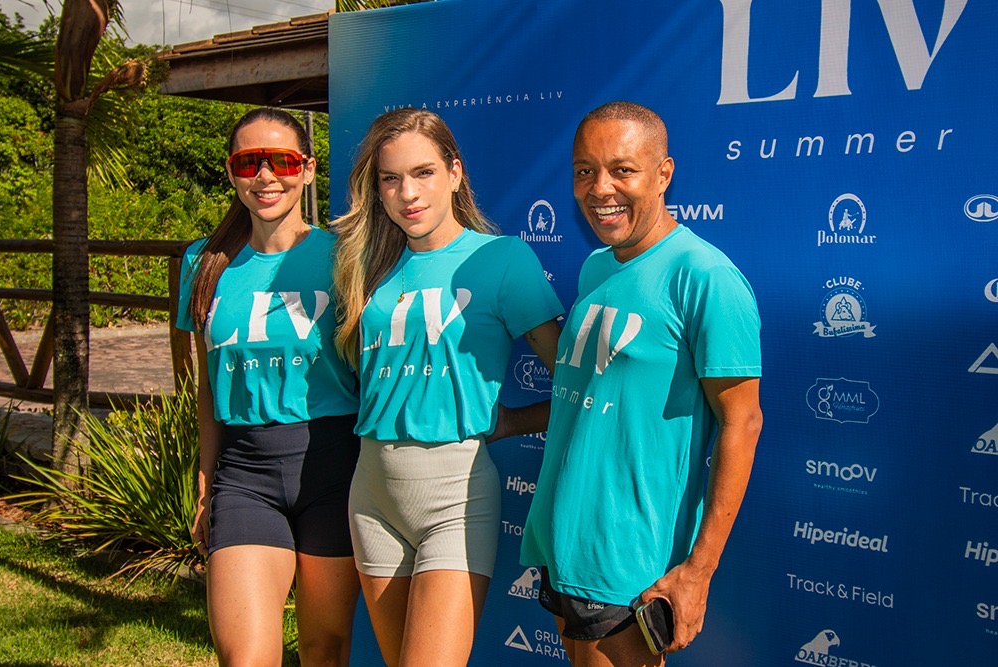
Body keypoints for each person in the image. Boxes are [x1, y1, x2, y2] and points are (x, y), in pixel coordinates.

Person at [520, 101, 763, 666]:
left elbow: (742, 422)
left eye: (622, 169)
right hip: (566, 536)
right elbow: (594, 398)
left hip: (629, 559)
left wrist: (698, 572)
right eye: (585, 170)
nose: (600, 188)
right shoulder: (597, 267)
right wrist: (510, 421)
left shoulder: (706, 278)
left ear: (663, 173)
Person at [332, 108, 563, 667]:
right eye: (391, 179)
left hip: (453, 497)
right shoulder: (365, 265)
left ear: (455, 173)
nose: (407, 193)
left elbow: (580, 389)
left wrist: (514, 421)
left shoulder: (501, 259)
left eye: (424, 172)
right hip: (371, 494)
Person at [177, 107, 361, 666]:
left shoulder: (343, 256)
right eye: (247, 161)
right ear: (231, 172)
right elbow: (206, 390)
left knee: (322, 651)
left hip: (335, 465)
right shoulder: (202, 263)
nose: (265, 176)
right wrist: (207, 479)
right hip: (245, 472)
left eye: (280, 160)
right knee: (246, 658)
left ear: (307, 170)